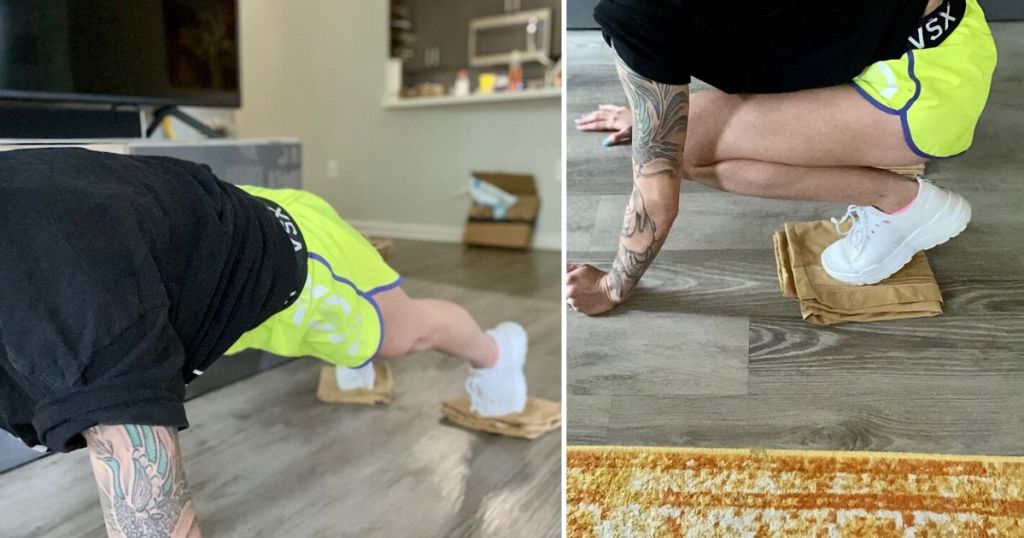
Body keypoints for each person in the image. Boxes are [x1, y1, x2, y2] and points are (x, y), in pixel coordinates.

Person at [0, 147, 528, 537]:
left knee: (403, 334)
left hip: (301, 263)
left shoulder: (67, 301)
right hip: (209, 250)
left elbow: (153, 517)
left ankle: (497, 354)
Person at [566, 0, 997, 315]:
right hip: (935, 33)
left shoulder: (641, 13)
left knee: (687, 152)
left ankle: (903, 204)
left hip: (927, 87)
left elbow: (656, 192)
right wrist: (652, 106)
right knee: (679, 133)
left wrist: (610, 288)